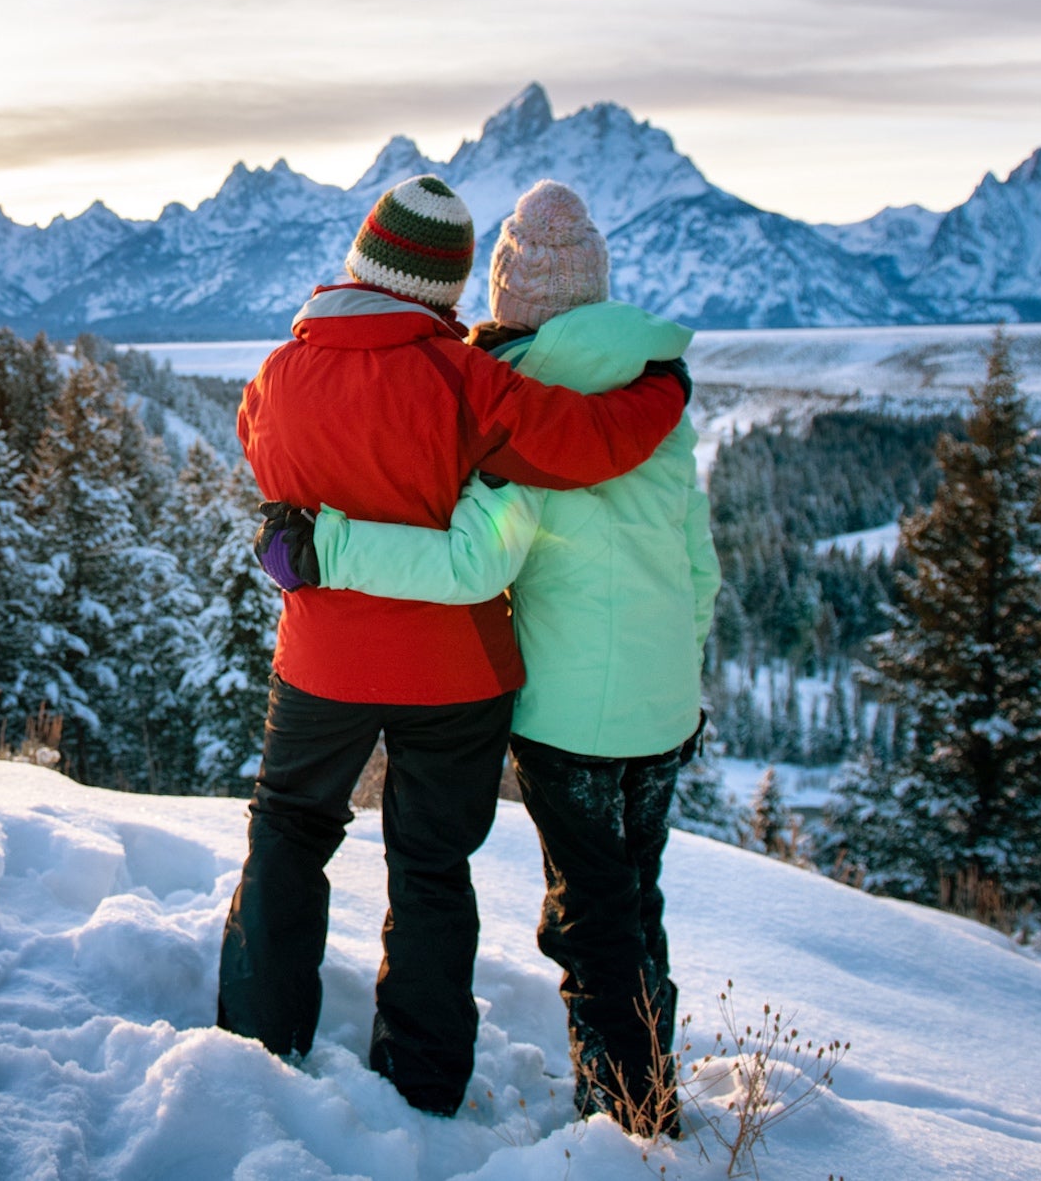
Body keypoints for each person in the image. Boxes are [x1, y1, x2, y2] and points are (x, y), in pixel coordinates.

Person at [218, 174, 692, 1118]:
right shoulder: (467, 380)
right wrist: (665, 389)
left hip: (322, 663)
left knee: (286, 836)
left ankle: (259, 1046)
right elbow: (591, 442)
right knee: (430, 867)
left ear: (358, 264)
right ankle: (425, 1079)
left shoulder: (276, 374)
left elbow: (267, 466)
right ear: (448, 286)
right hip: (455, 671)